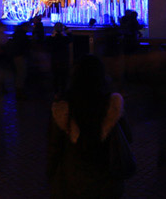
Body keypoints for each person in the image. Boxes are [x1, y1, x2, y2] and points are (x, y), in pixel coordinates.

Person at [48, 55, 132, 198]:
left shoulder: (64, 108)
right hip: (107, 180)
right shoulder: (113, 105)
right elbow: (128, 137)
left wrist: (51, 172)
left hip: (73, 179)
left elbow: (55, 145)